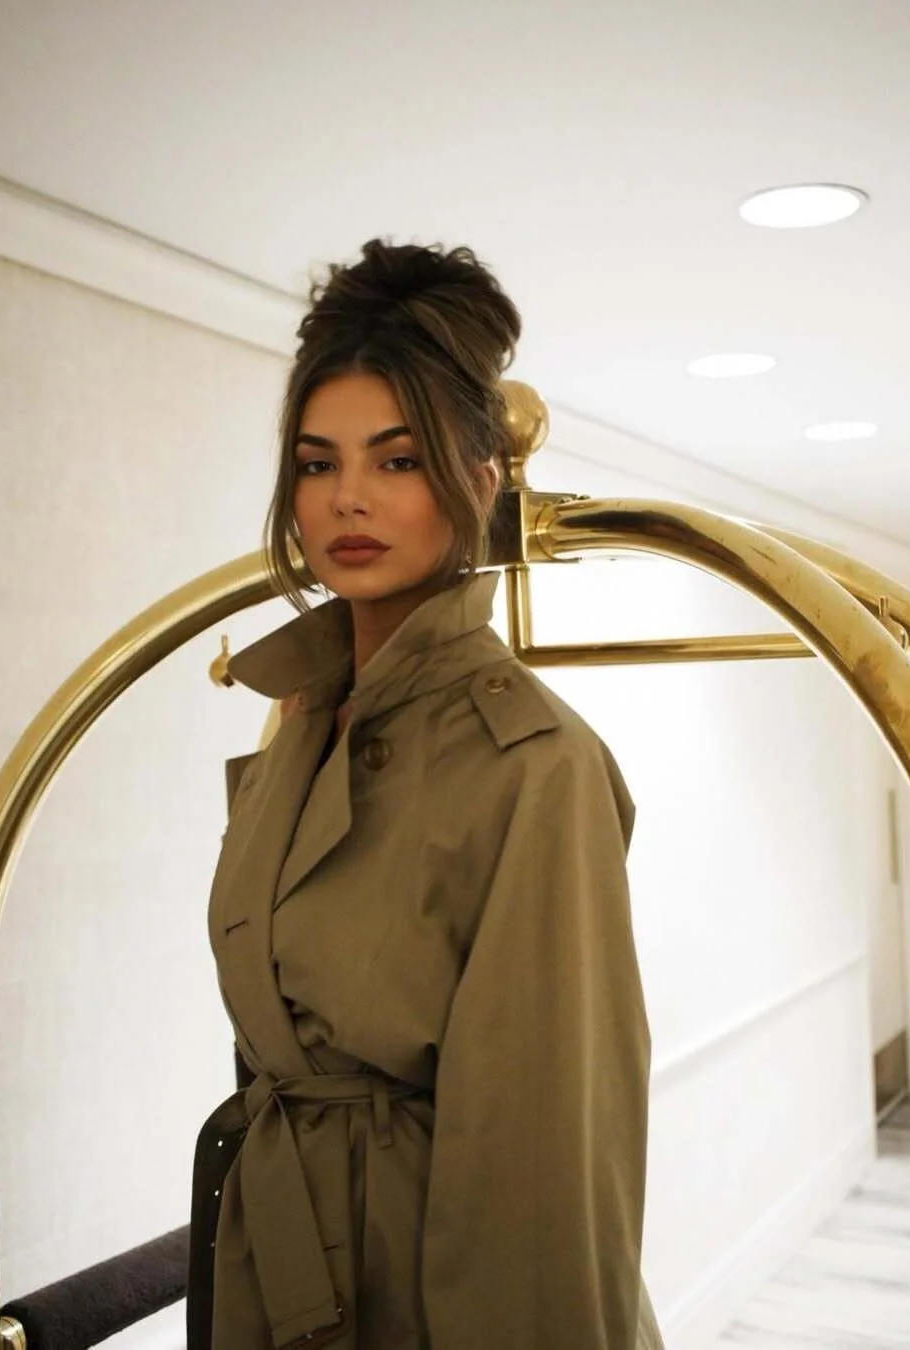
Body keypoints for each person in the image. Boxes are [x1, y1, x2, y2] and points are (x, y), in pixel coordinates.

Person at [201, 239, 664, 1349]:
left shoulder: (538, 764)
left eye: (397, 461)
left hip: (423, 1285)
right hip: (271, 1256)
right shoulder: (299, 717)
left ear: (479, 482)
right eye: (318, 465)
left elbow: (545, 1176)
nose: (348, 498)